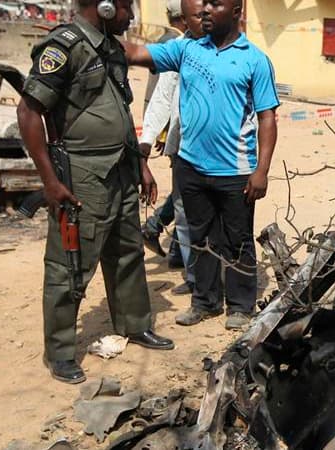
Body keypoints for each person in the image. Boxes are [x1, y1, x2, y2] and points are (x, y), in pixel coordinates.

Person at [16, 0, 174, 384]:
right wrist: (51, 181)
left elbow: (119, 113)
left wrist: (140, 165)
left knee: (127, 252)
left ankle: (134, 324)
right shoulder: (63, 47)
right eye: (126, 7)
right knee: (70, 263)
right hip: (82, 176)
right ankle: (61, 352)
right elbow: (28, 112)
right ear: (104, 6)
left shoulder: (111, 48)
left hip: (120, 168)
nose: (132, 16)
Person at [123, 0, 279, 330]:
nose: (205, 10)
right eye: (203, 4)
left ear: (236, 11)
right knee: (200, 238)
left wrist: (261, 170)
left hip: (236, 170)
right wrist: (95, 27)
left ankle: (240, 305)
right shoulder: (186, 50)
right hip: (190, 167)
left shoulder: (255, 60)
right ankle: (205, 302)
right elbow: (135, 54)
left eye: (215, 4)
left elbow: (267, 118)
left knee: (237, 239)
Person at [138, 0, 205, 295]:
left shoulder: (231, 49)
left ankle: (213, 280)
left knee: (212, 215)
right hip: (181, 144)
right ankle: (195, 279)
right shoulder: (177, 47)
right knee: (184, 212)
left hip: (218, 148)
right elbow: (163, 96)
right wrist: (147, 138)